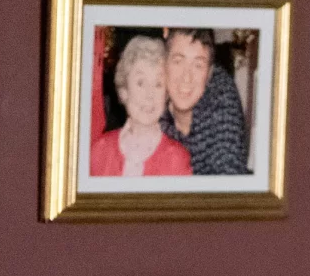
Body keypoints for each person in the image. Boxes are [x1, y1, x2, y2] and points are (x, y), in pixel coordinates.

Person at [87, 34, 193, 179]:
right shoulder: (98, 151)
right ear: (124, 90)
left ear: (166, 95)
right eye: (141, 83)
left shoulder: (178, 160)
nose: (149, 95)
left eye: (158, 84)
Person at [162, 27, 252, 174]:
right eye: (178, 61)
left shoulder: (222, 99)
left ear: (209, 74)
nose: (187, 77)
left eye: (198, 65)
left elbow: (229, 172)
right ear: (163, 64)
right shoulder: (149, 101)